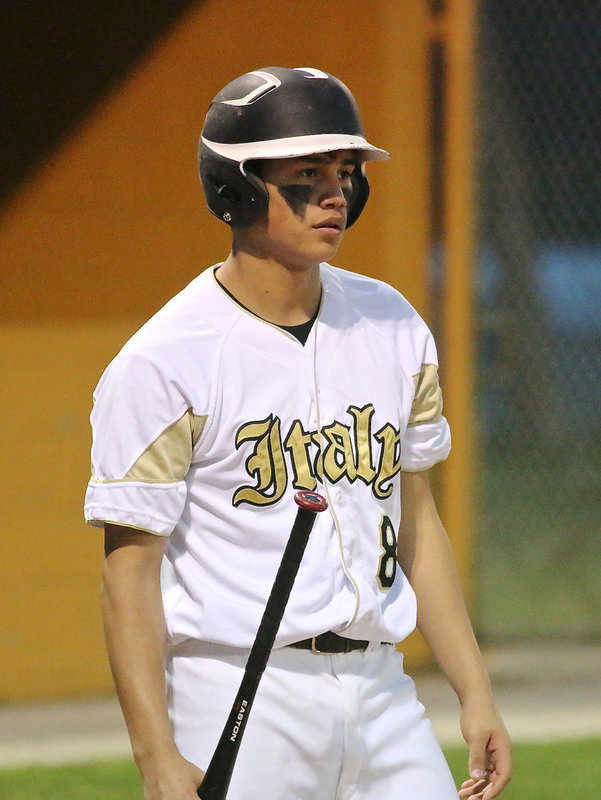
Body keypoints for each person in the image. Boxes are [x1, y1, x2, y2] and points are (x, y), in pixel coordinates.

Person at [85, 67, 511, 800]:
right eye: (305, 175)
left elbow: (414, 519)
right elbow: (129, 573)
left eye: (344, 173)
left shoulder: (390, 323)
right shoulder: (166, 359)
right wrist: (155, 752)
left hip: (382, 689)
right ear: (237, 189)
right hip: (240, 690)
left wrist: (473, 689)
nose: (334, 193)